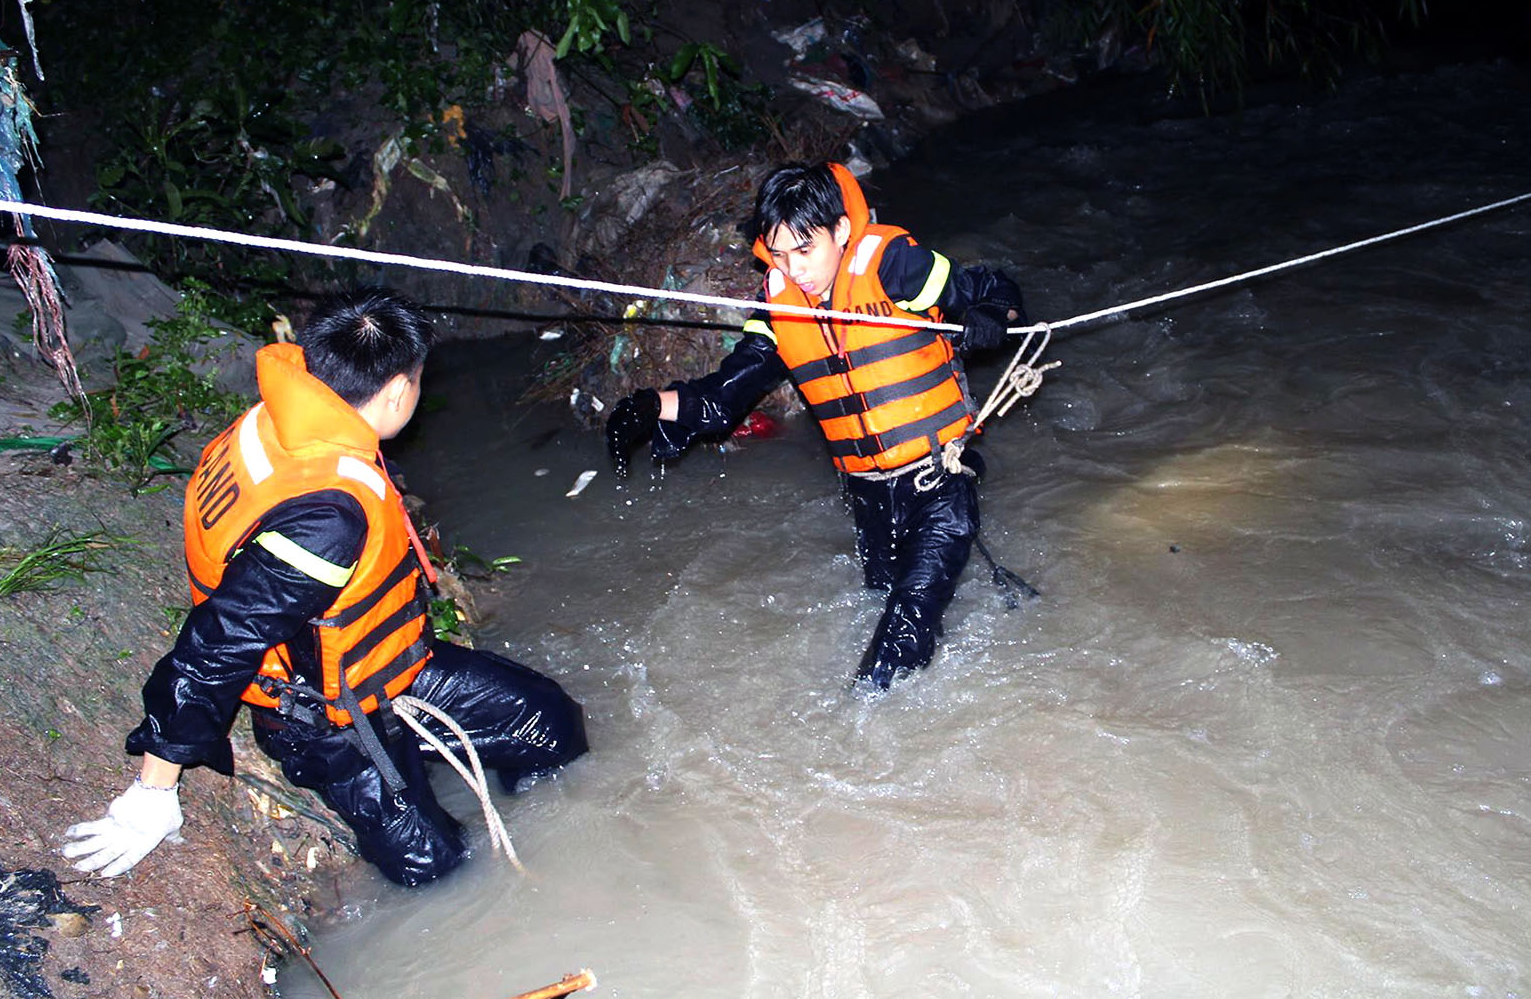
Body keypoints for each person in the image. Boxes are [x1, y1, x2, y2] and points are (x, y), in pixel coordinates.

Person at [63, 289, 588, 886]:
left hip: (387, 666)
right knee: (435, 868)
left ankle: (444, 771)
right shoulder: (329, 518)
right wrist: (155, 787)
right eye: (416, 382)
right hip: (324, 714)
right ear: (396, 391)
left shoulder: (281, 420)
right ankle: (412, 796)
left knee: (548, 724)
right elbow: (217, 642)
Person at [606, 162, 1026, 690]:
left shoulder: (895, 265)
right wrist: (649, 407)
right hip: (870, 497)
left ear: (842, 232)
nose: (794, 269)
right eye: (780, 254)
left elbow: (994, 285)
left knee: (891, 657)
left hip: (941, 484)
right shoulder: (779, 301)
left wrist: (993, 314)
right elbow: (725, 395)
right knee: (881, 597)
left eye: (805, 250)